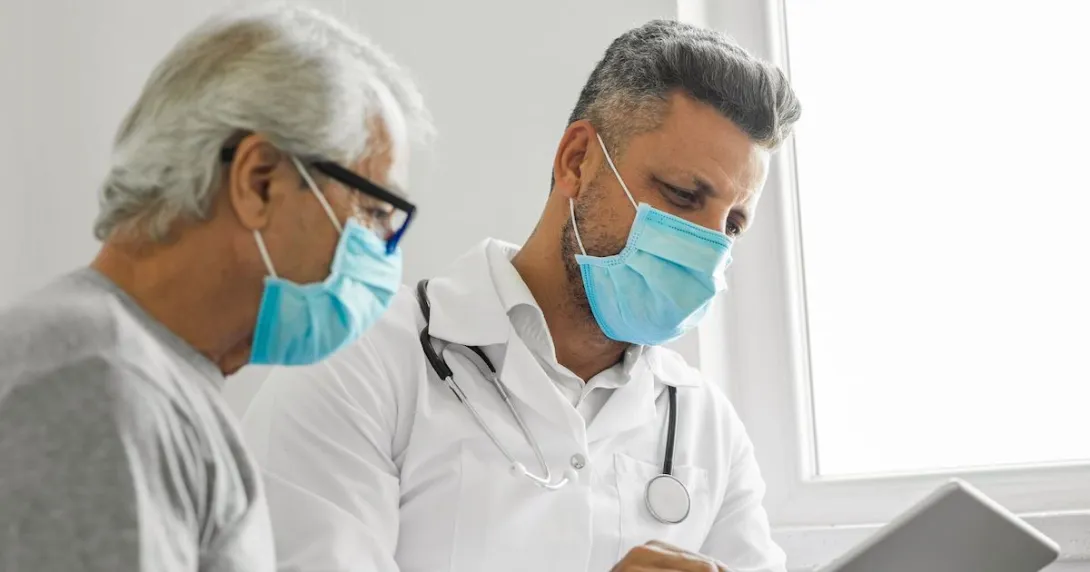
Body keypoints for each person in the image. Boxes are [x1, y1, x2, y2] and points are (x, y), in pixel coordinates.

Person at [242, 19, 800, 572]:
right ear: (577, 162)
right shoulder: (358, 363)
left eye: (731, 226)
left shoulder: (706, 424)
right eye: (681, 195)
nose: (705, 248)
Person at [0, 5, 429, 571]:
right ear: (260, 181)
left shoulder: (150, 379)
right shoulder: (100, 385)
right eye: (372, 212)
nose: (382, 253)